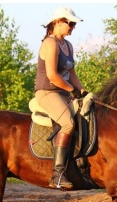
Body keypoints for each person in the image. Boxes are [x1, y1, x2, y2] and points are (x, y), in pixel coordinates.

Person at [34, 7, 88, 190]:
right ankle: (57, 175)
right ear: (57, 22)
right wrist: (73, 90)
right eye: (70, 23)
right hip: (47, 92)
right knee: (67, 124)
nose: (73, 26)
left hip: (64, 93)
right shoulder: (50, 44)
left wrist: (82, 90)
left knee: (87, 116)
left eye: (73, 24)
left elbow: (71, 73)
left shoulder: (68, 45)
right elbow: (52, 76)